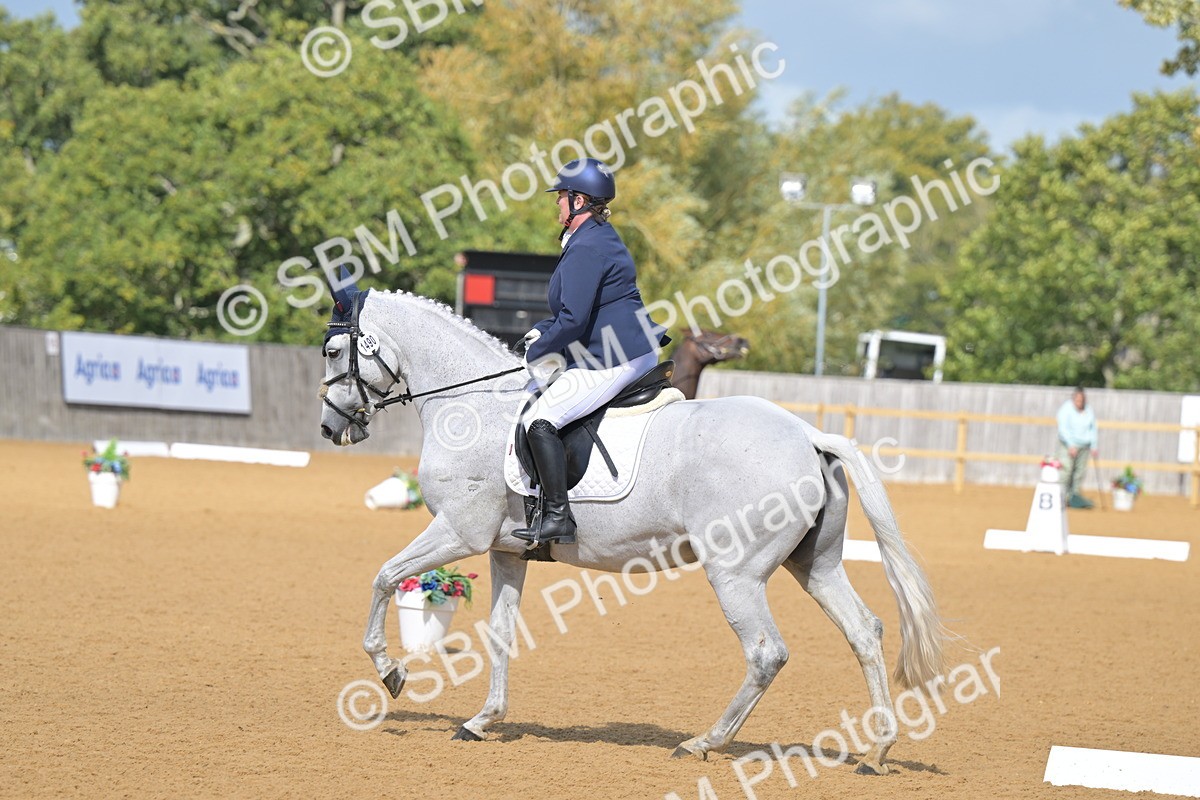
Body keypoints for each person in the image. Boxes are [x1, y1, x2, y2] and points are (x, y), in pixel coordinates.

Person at [513, 157, 666, 546]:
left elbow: (574, 319)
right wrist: (540, 330)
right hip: (621, 346)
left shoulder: (586, 247)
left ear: (578, 201)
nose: (557, 203)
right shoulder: (596, 236)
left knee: (540, 419)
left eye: (561, 196)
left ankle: (557, 517)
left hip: (615, 355)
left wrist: (537, 352)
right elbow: (580, 309)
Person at [1056, 386, 1098, 509]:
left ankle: (1074, 497)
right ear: (1073, 399)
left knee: (1079, 473)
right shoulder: (1066, 409)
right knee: (1066, 471)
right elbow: (1063, 428)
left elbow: (1093, 428)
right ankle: (1060, 496)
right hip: (1068, 445)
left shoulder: (1088, 409)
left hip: (1084, 446)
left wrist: (1094, 445)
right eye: (1078, 400)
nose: (1080, 403)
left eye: (1082, 400)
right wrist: (1070, 445)